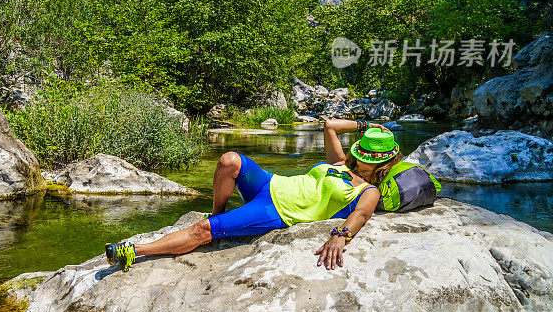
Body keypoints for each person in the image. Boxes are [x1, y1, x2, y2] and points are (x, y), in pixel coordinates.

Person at [105, 119, 402, 271]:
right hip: (270, 184)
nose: (361, 156)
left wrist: (340, 236)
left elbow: (360, 214)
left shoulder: (369, 190)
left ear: (381, 163)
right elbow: (330, 125)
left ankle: (134, 251)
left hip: (276, 213)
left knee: (202, 231)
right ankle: (219, 214)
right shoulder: (339, 162)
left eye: (368, 155)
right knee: (229, 160)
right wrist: (369, 126)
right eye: (361, 149)